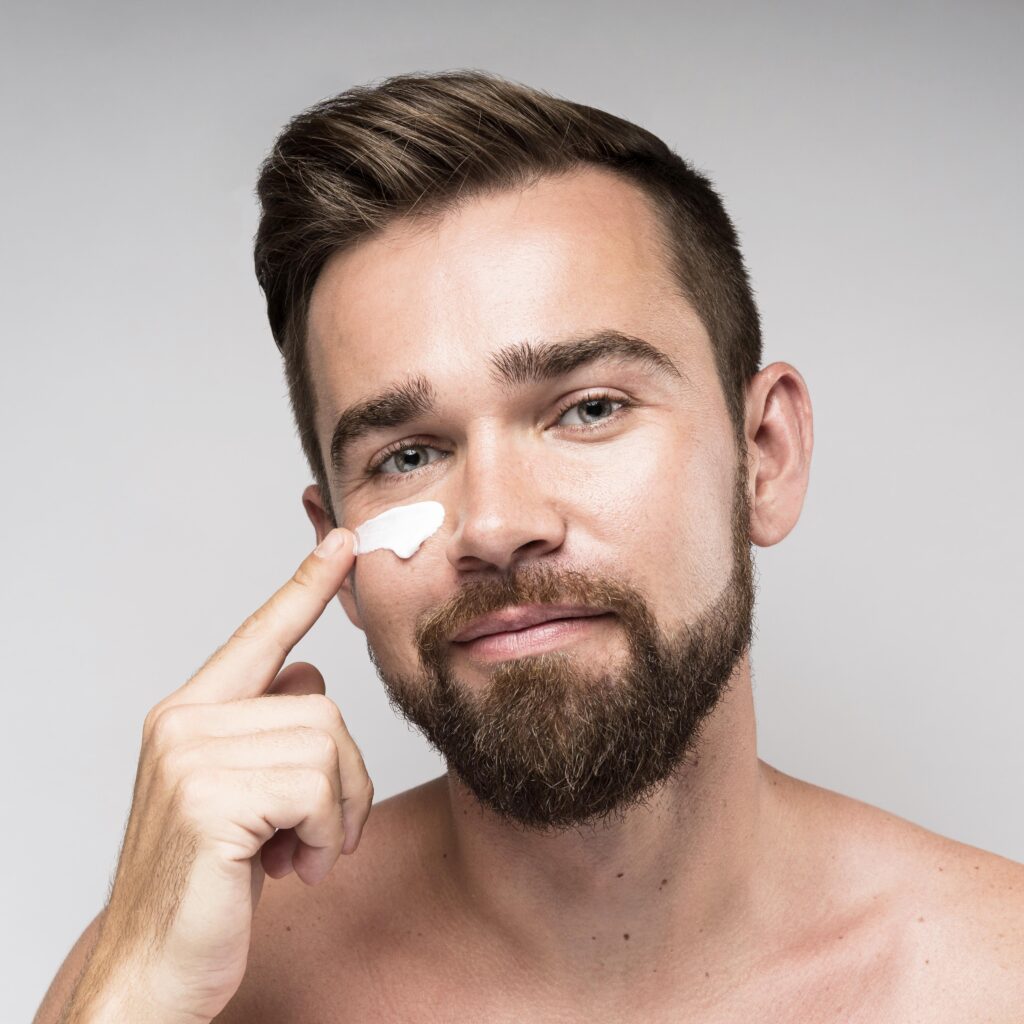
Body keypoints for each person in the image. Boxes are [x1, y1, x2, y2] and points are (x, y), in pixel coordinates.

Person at [36, 69, 1023, 1023]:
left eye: (589, 408)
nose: (497, 524)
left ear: (763, 455)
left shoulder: (993, 978)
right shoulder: (188, 980)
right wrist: (130, 1000)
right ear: (336, 549)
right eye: (408, 453)